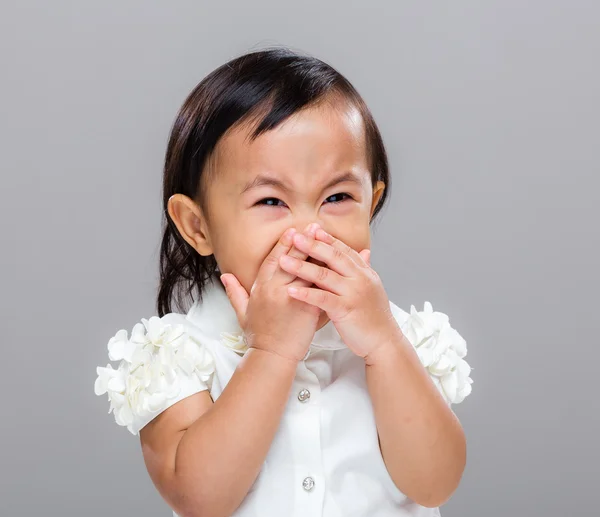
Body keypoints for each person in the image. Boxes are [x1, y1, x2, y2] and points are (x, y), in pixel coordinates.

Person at [94, 46, 473, 517]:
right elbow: (199, 498)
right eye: (271, 202)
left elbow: (435, 484)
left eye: (337, 196)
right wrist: (270, 352)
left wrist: (384, 346)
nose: (309, 232)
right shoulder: (183, 354)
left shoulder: (401, 340)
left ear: (371, 204)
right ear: (198, 226)